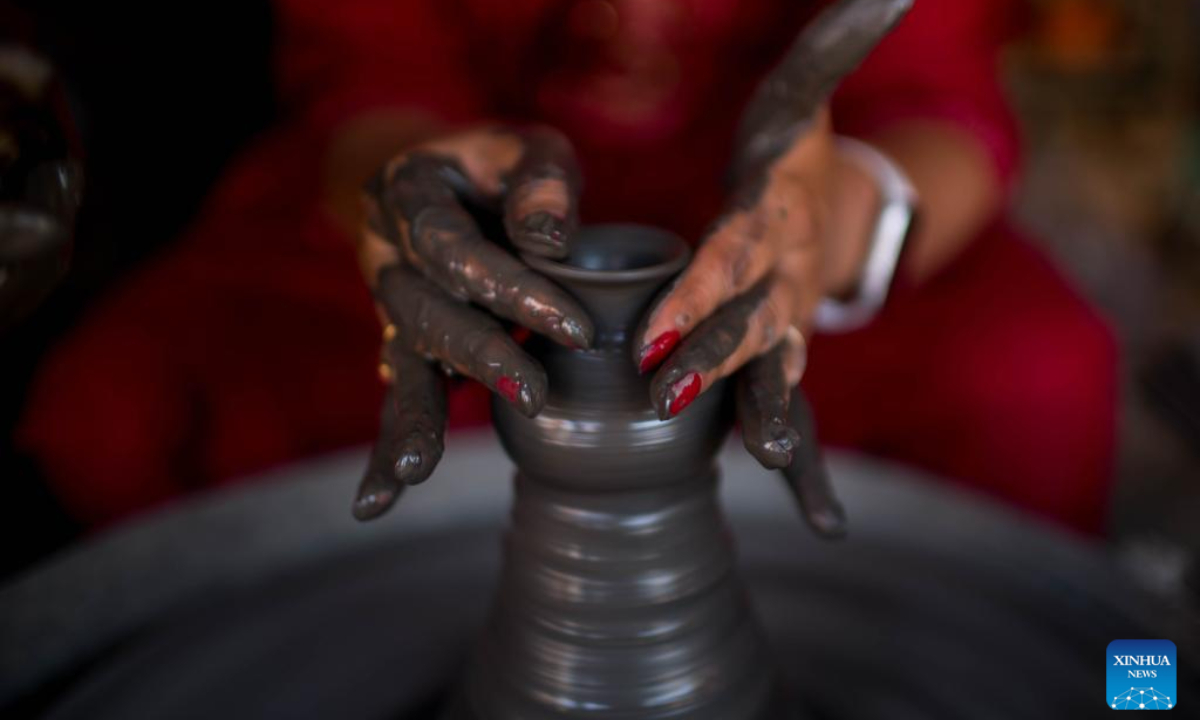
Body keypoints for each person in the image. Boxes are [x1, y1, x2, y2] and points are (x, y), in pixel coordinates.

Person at [19, 0, 1117, 535]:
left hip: (780, 204)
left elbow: (942, 101)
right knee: (115, 407)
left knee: (1038, 384)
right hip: (478, 194)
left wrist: (819, 230)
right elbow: (367, 64)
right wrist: (411, 184)